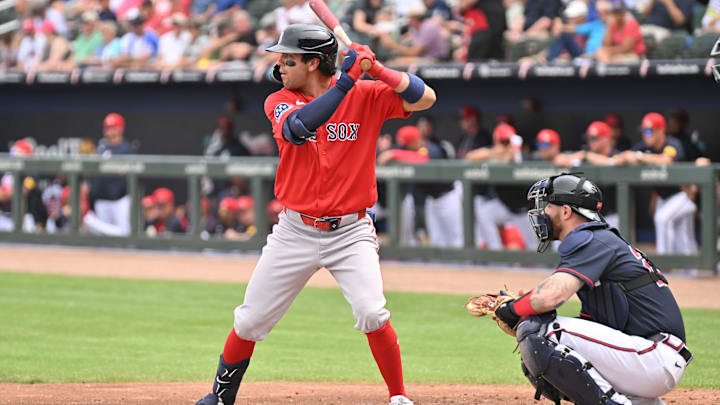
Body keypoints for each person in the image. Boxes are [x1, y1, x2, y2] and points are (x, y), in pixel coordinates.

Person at [195, 23, 436, 405]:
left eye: (288, 60)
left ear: (313, 63)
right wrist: (346, 81)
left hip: (350, 231)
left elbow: (426, 98)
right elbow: (298, 127)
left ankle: (398, 397)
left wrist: (378, 70)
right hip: (295, 230)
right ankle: (219, 398)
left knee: (372, 312)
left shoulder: (367, 94)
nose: (280, 66)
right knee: (250, 319)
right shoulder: (280, 100)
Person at [493, 173, 691, 405]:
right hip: (649, 356)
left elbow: (551, 296)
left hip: (654, 356)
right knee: (541, 335)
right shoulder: (597, 239)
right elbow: (591, 324)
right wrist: (528, 308)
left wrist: (514, 309)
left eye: (547, 206)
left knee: (541, 332)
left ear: (566, 211)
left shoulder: (590, 239)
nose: (542, 212)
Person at [617, 113, 695, 255]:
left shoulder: (672, 143)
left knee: (664, 220)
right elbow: (622, 156)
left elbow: (667, 159)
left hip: (683, 194)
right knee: (681, 233)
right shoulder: (643, 146)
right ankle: (687, 271)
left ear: (660, 131)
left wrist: (639, 157)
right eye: (643, 131)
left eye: (649, 131)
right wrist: (625, 157)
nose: (645, 135)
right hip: (663, 196)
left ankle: (665, 265)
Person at [377, 125, 462, 248]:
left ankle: (467, 266)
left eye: (407, 144)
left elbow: (423, 159)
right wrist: (384, 149)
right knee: (437, 240)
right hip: (431, 199)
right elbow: (385, 156)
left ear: (416, 141)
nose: (405, 147)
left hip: (448, 197)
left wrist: (394, 153)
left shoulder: (432, 149)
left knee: (456, 237)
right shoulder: (407, 149)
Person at [83, 113, 135, 236]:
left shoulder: (126, 149)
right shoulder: (101, 148)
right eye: (106, 127)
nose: (108, 130)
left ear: (120, 128)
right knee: (105, 240)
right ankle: (92, 223)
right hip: (102, 200)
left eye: (112, 127)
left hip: (119, 200)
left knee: (124, 235)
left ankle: (91, 222)